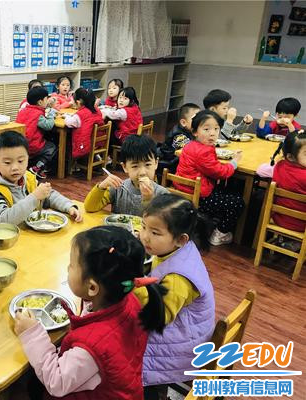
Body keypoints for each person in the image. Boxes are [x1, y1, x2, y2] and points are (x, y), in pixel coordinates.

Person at [14, 225, 167, 399]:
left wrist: (32, 334)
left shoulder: (91, 348)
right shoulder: (128, 299)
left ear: (93, 287)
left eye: (72, 265)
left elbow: (56, 382)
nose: (67, 269)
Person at [136, 194, 215, 400]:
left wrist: (131, 285)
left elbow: (159, 315)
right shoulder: (177, 250)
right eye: (143, 227)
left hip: (182, 348)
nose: (145, 236)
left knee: (123, 349)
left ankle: (152, 392)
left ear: (181, 239)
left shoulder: (178, 277)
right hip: (190, 330)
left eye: (154, 232)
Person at [0, 131, 82, 225]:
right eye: (7, 162)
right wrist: (35, 197)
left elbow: (48, 196)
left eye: (21, 161)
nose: (15, 167)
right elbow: (5, 220)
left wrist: (69, 207)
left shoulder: (27, 178)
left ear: (28, 159)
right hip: (1, 243)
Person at [175, 110, 245, 246]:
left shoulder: (191, 145)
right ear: (195, 132)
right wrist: (234, 162)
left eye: (216, 129)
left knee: (227, 189)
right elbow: (221, 173)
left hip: (184, 189)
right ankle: (220, 233)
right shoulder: (204, 151)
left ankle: (212, 222)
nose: (212, 133)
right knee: (237, 202)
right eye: (206, 129)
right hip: (198, 196)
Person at [84, 135, 168, 215]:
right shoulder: (118, 188)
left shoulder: (163, 194)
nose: (142, 172)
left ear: (156, 163)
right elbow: (89, 207)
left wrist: (149, 200)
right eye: (135, 166)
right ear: (125, 167)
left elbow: (163, 223)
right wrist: (102, 186)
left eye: (148, 165)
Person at [258, 132, 306, 251]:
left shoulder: (279, 166)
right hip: (302, 225)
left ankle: (289, 240)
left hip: (279, 219)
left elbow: (260, 170)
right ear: (290, 157)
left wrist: (279, 160)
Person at [16, 86, 58, 179]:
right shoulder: (37, 114)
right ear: (40, 102)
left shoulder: (23, 110)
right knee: (52, 147)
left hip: (20, 143)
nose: (47, 101)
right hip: (32, 145)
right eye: (46, 99)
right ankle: (37, 168)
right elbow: (48, 125)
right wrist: (51, 113)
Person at [64, 88, 104, 158]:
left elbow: (68, 123)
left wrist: (66, 116)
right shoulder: (97, 110)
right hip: (97, 143)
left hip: (85, 146)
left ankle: (71, 165)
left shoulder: (80, 115)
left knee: (66, 142)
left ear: (79, 102)